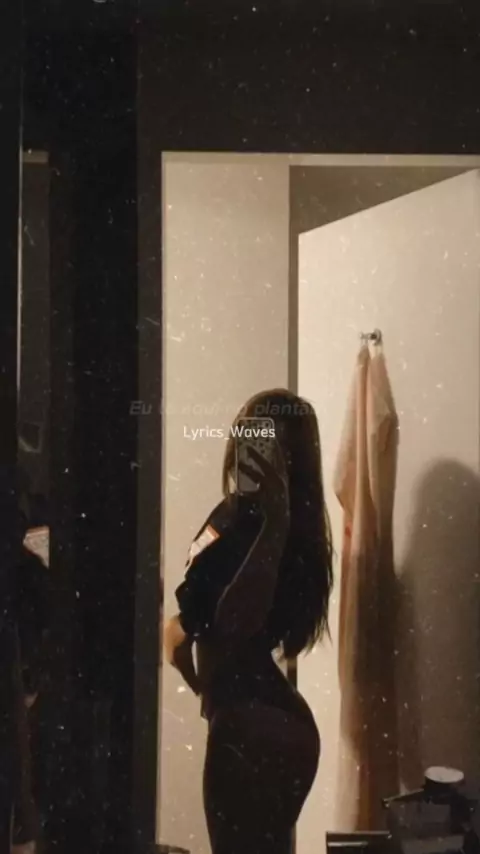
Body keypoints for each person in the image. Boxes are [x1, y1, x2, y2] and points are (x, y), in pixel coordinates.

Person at [164, 389, 333, 854]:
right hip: (262, 716)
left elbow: (233, 624)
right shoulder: (249, 521)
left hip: (252, 726)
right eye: (249, 436)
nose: (254, 451)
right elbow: (193, 620)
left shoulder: (276, 532)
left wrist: (275, 524)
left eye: (269, 446)